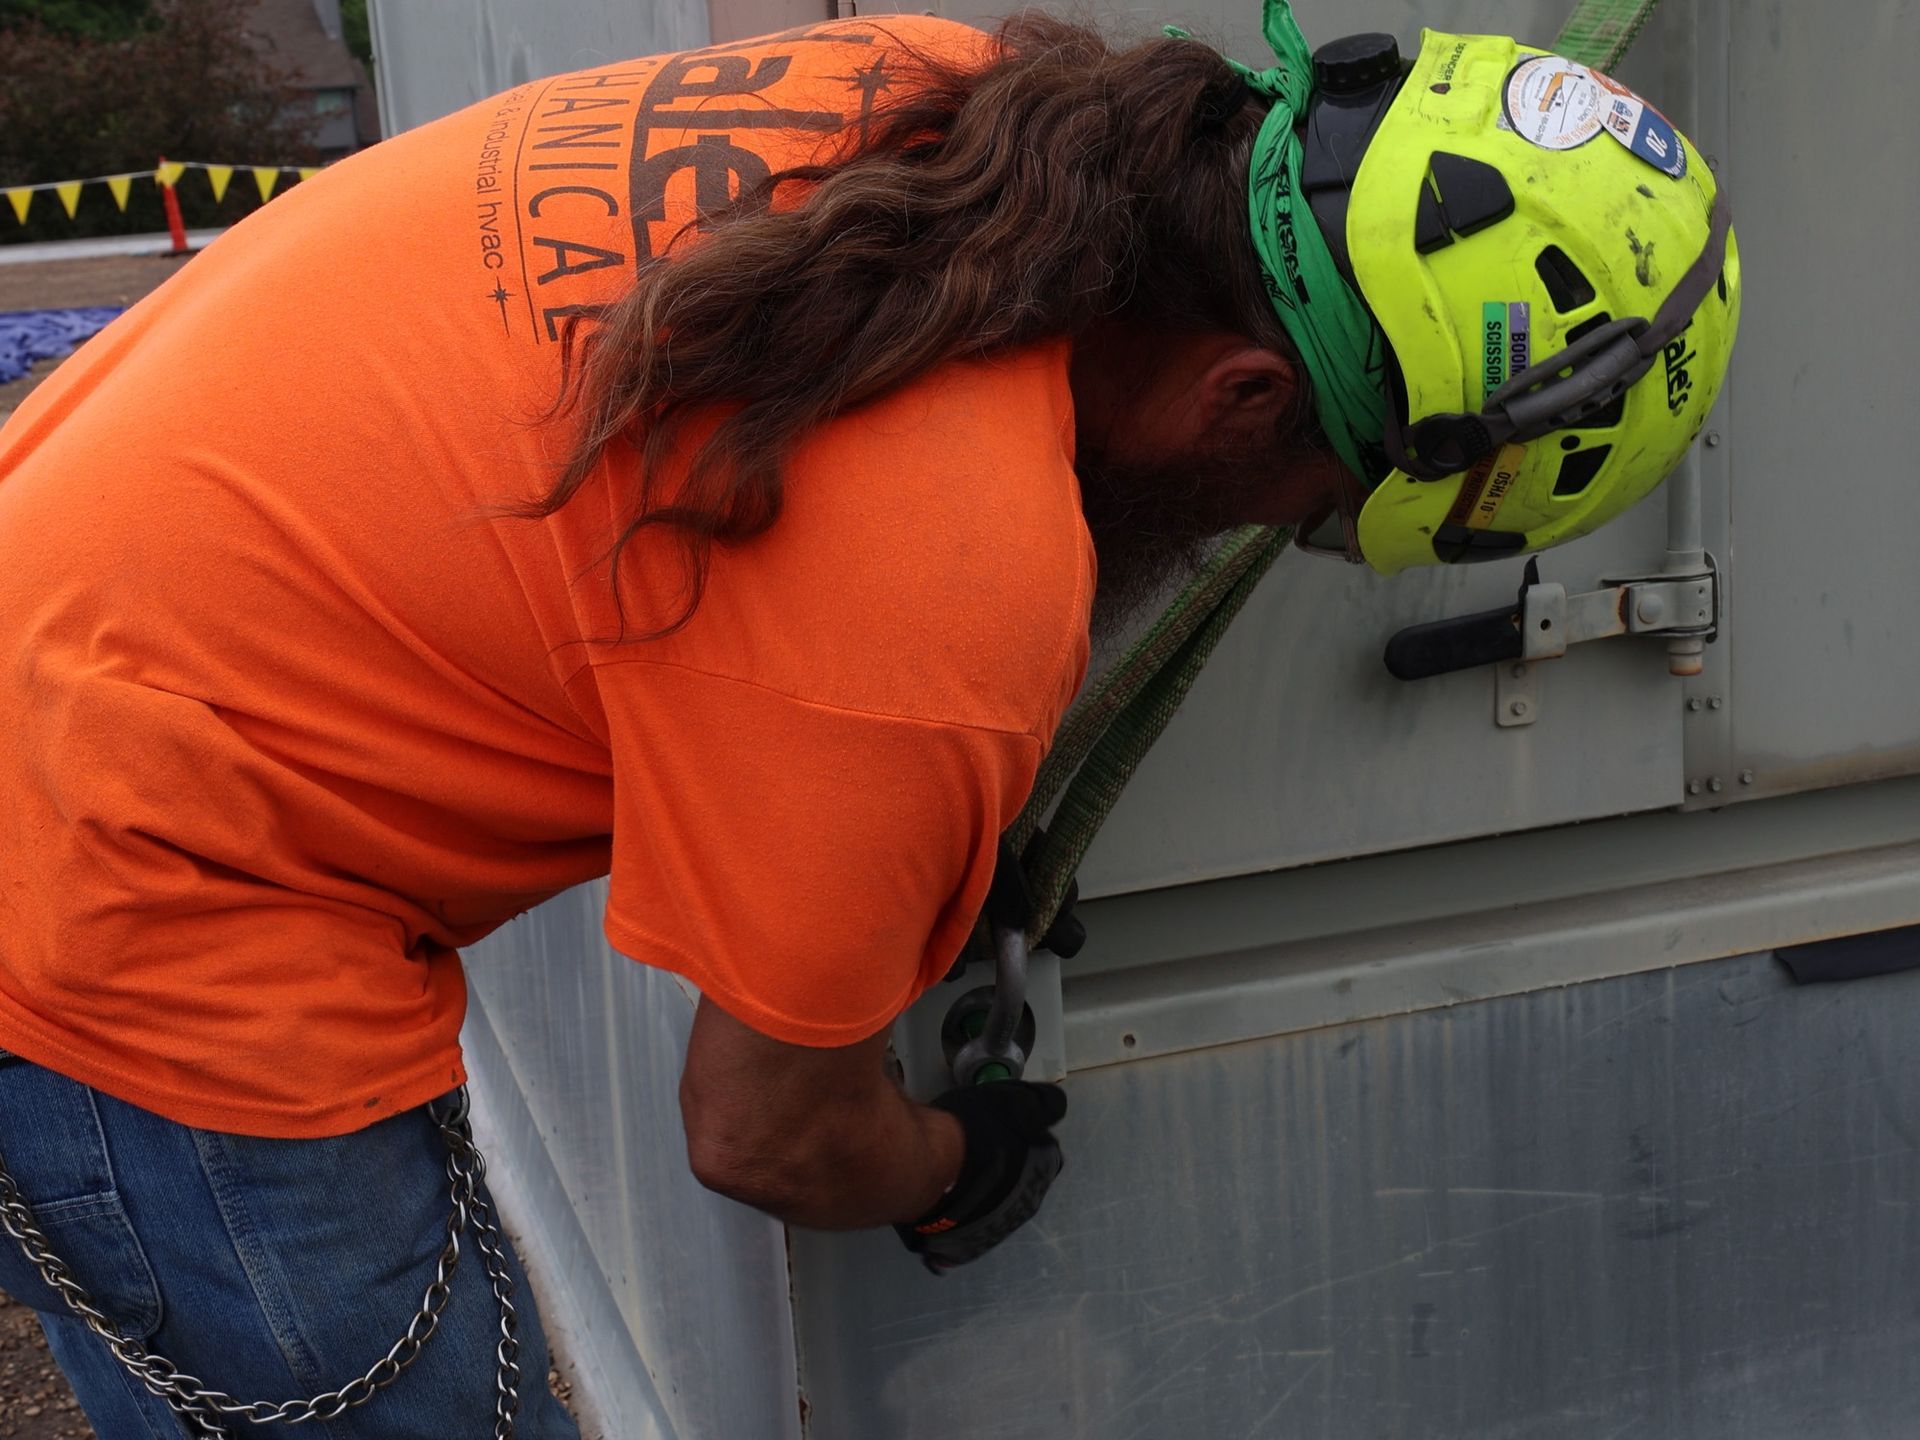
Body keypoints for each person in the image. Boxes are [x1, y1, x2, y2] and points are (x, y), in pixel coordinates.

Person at [0, 1, 1736, 1434]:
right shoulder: (937, 594)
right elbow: (762, 1128)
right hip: (120, 891)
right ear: (1242, 395)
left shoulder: (930, 88)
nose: (1264, 535)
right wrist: (941, 1158)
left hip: (65, 612)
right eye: (1302, 501)